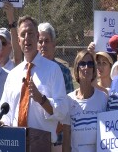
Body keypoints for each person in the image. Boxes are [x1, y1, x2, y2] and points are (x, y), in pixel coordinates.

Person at [0, 15, 68, 152]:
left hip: (42, 145)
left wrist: (41, 100)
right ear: (18, 40)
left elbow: (63, 111)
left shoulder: (53, 70)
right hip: (15, 145)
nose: (27, 38)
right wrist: (0, 121)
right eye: (23, 34)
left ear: (37, 37)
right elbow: (5, 111)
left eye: (30, 33)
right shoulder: (13, 74)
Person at [37, 22, 74, 150]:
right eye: (40, 41)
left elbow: (68, 106)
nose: (43, 45)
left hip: (58, 138)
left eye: (46, 41)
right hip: (37, 136)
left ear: (54, 44)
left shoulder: (64, 72)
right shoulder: (31, 70)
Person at [62, 50, 107, 152]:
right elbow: (66, 140)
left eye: (90, 64)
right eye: (82, 64)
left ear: (94, 69)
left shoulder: (102, 98)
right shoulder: (68, 100)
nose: (87, 67)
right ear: (77, 69)